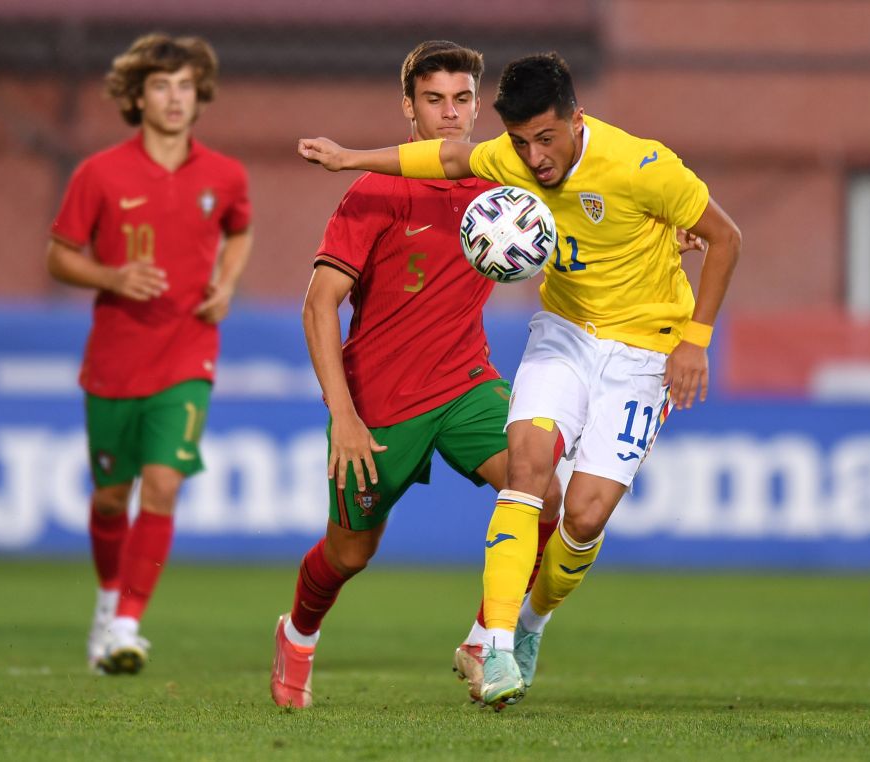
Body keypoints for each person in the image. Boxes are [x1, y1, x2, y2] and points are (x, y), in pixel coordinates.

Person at [297, 51, 742, 708]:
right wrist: (346, 156)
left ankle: (513, 631)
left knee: (576, 509)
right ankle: (438, 640)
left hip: (627, 355)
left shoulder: (640, 166)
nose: (534, 158)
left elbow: (722, 235)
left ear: (574, 120)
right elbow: (444, 163)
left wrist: (693, 333)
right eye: (521, 142)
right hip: (508, 355)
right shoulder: (494, 165)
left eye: (545, 139)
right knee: (397, 532)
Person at [269, 40, 566, 711]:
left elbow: (590, 204)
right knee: (349, 553)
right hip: (378, 405)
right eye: (434, 100)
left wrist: (673, 235)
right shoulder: (375, 191)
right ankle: (298, 632)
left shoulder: (503, 183)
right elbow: (319, 306)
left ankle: (481, 639)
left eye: (463, 100)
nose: (450, 114)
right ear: (409, 108)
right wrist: (343, 417)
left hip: (465, 384)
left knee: (545, 489)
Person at [47, 33, 252, 675]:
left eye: (185, 86)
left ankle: (128, 625)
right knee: (112, 497)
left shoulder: (225, 175)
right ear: (136, 96)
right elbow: (58, 255)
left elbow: (239, 228)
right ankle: (109, 602)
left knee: (163, 485)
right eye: (161, 85)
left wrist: (226, 282)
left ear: (200, 97)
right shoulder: (98, 173)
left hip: (189, 353)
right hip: (114, 360)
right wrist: (112, 277)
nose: (174, 98)